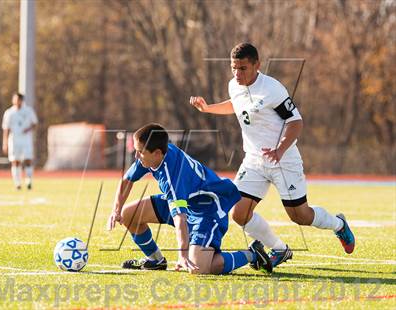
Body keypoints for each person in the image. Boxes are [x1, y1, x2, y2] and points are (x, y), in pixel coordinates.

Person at [189, 42, 355, 267]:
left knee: (300, 216)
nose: (237, 73)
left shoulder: (272, 89)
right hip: (254, 160)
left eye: (243, 68)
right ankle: (279, 249)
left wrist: (280, 149)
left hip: (283, 160)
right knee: (239, 213)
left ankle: (339, 225)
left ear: (257, 65)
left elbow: (296, 122)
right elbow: (236, 105)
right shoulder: (234, 85)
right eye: (234, 68)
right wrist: (209, 108)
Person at [107, 123, 272, 274]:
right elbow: (127, 180)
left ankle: (252, 254)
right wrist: (116, 210)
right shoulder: (154, 155)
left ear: (157, 153)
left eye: (140, 151)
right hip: (189, 201)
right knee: (128, 214)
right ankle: (155, 260)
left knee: (198, 267)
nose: (136, 156)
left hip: (208, 210)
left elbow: (180, 219)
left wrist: (183, 255)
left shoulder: (173, 177)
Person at [2, 92, 38, 190]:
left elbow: (34, 123)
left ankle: (29, 181)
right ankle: (17, 183)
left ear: (22, 100)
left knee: (28, 159)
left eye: (18, 100)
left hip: (26, 139)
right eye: (15, 99)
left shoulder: (28, 111)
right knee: (15, 161)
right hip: (14, 139)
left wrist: (28, 129)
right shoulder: (9, 112)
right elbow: (6, 128)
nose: (16, 101)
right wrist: (5, 142)